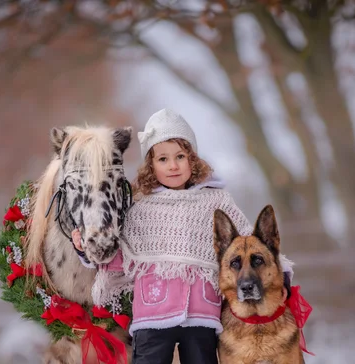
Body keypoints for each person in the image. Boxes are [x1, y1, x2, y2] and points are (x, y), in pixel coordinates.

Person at [72, 108, 294, 364]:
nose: (173, 166)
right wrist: (85, 249)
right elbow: (122, 257)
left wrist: (283, 277)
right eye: (163, 159)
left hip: (202, 314)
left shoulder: (215, 200)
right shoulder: (139, 206)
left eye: (180, 156)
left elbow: (247, 244)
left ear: (192, 159)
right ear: (151, 165)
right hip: (152, 313)